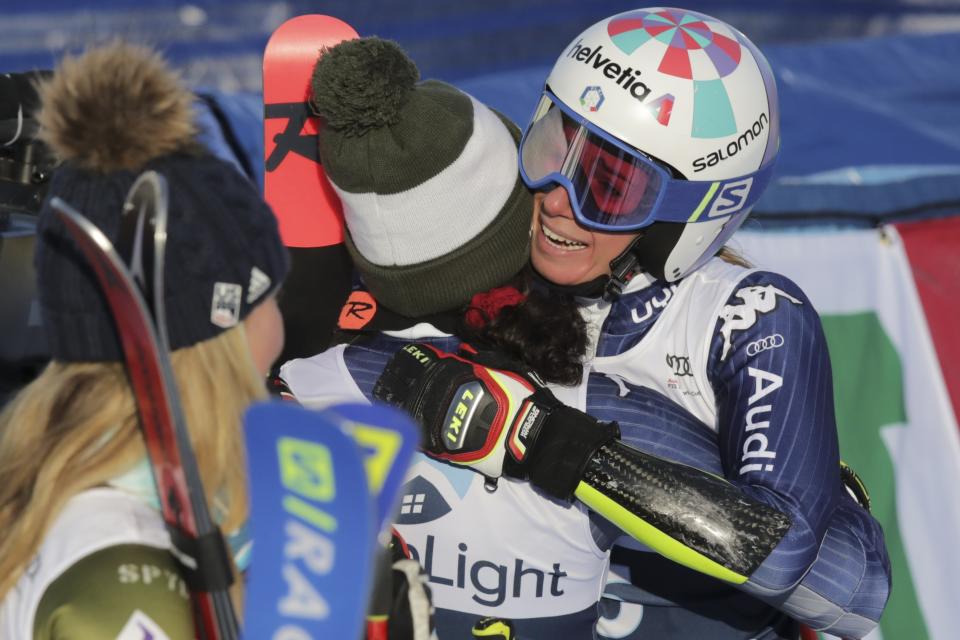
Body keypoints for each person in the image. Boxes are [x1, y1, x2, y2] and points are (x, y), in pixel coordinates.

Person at [281, 22, 890, 640]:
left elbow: (849, 583)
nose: (557, 199)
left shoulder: (747, 316)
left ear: (693, 211)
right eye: (555, 147)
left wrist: (547, 443)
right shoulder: (505, 259)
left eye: (610, 187)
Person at [0, 41, 289, 638]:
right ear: (217, 333)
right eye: (270, 299)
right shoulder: (127, 576)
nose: (281, 331)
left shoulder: (62, 467)